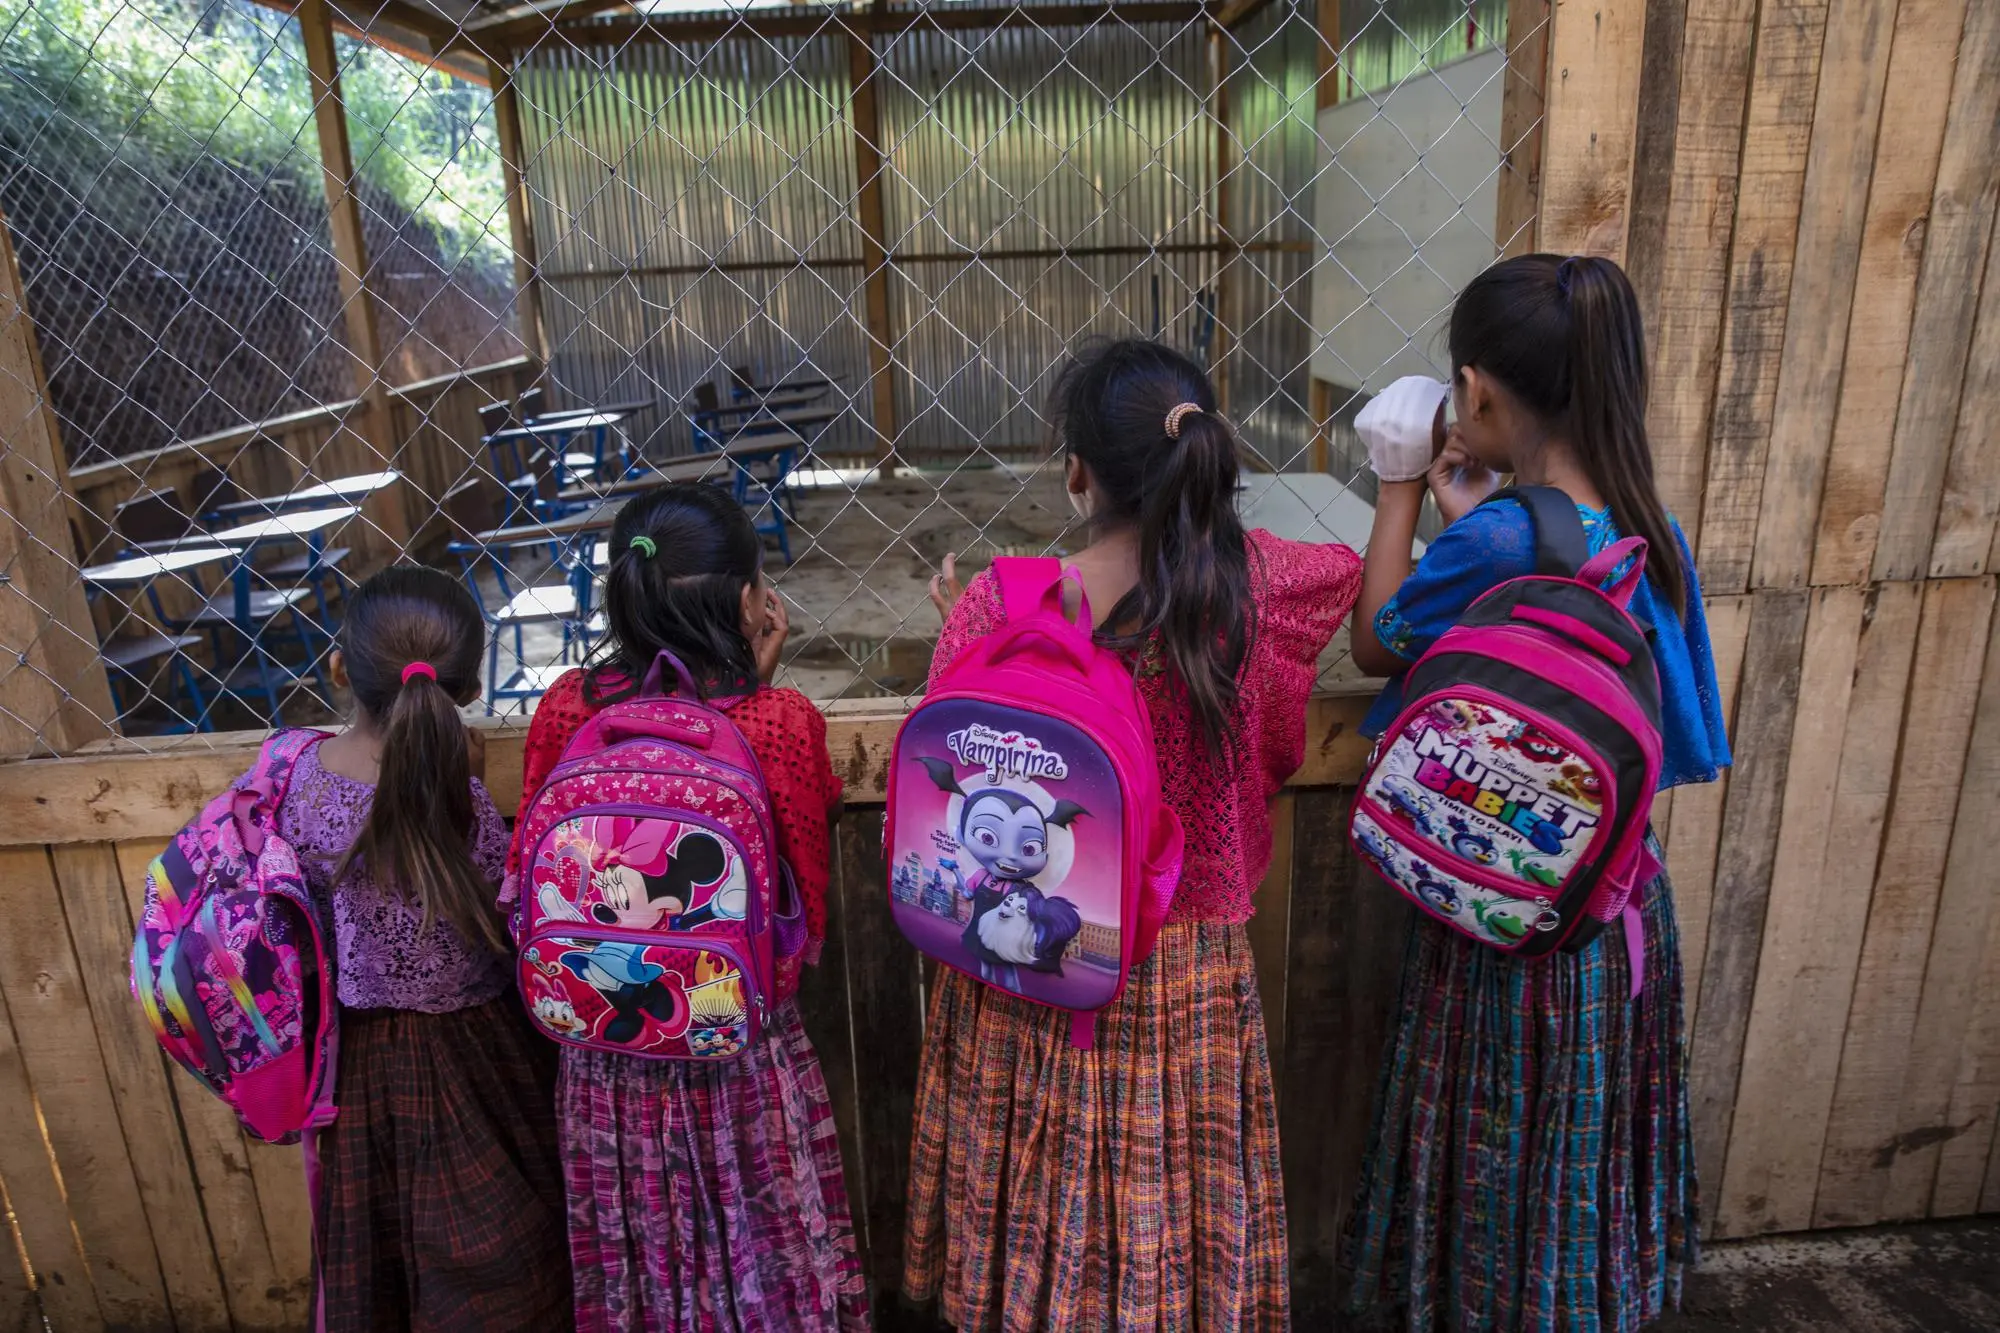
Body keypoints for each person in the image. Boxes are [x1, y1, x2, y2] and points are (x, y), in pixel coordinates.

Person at [904, 339, 1364, 1330]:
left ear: (1075, 473)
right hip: (1189, 969)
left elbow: (964, 777)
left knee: (1041, 1179)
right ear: (1204, 455)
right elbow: (1353, 583)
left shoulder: (997, 600)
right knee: (1168, 1181)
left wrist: (972, 637)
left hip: (1027, 957)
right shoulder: (1264, 588)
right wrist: (1408, 485)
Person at [1342, 254, 1732, 1331]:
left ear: (1471, 392)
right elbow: (1686, 737)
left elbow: (1380, 642)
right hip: (1611, 918)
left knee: (1492, 1144)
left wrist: (1397, 488)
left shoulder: (1495, 537)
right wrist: (1481, 513)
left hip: (1501, 920)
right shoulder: (1650, 532)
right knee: (1578, 1148)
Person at [509, 482, 868, 1332]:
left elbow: (528, 869)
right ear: (749, 599)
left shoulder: (567, 705)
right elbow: (801, 913)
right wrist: (758, 689)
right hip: (733, 1043)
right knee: (759, 1249)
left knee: (642, 1257)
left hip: (602, 1051)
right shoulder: (779, 720)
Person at [261, 565, 572, 1331]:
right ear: (466, 693)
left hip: (359, 1065)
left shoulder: (297, 779)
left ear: (339, 670)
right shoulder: (461, 796)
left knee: (384, 1249)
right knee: (504, 1239)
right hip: (485, 1056)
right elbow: (510, 916)